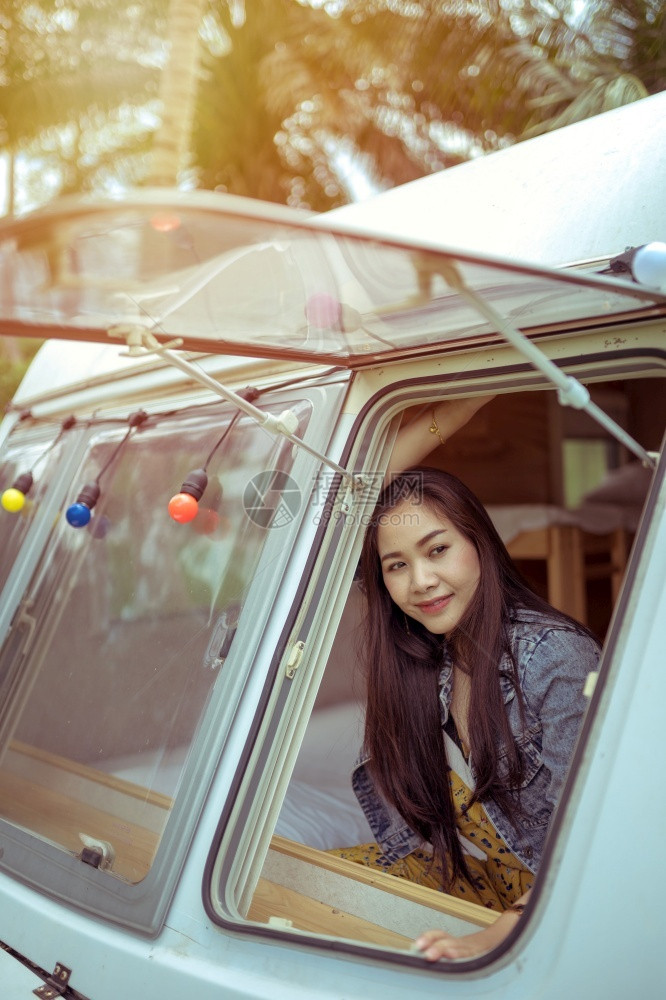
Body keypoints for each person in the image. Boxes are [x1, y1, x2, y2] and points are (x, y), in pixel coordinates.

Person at [334, 397, 601, 960]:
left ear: (479, 543)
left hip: (539, 902)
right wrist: (446, 417)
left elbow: (589, 846)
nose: (422, 581)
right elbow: (329, 506)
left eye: (438, 550)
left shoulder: (556, 657)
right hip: (461, 875)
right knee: (278, 886)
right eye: (397, 565)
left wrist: (493, 940)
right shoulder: (427, 655)